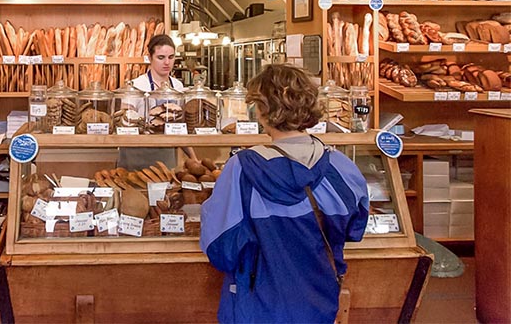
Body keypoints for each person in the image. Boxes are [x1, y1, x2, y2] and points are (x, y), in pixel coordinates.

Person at [200, 64, 369, 323]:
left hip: (255, 306)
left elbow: (221, 249)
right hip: (319, 303)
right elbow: (354, 231)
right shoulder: (340, 167)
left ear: (265, 109)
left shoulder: (243, 169)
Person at [119, 34, 186, 170]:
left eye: (171, 57)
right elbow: (124, 121)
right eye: (161, 57)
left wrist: (193, 157)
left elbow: (180, 126)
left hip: (166, 154)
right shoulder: (136, 85)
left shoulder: (177, 86)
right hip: (136, 154)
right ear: (150, 58)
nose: (167, 62)